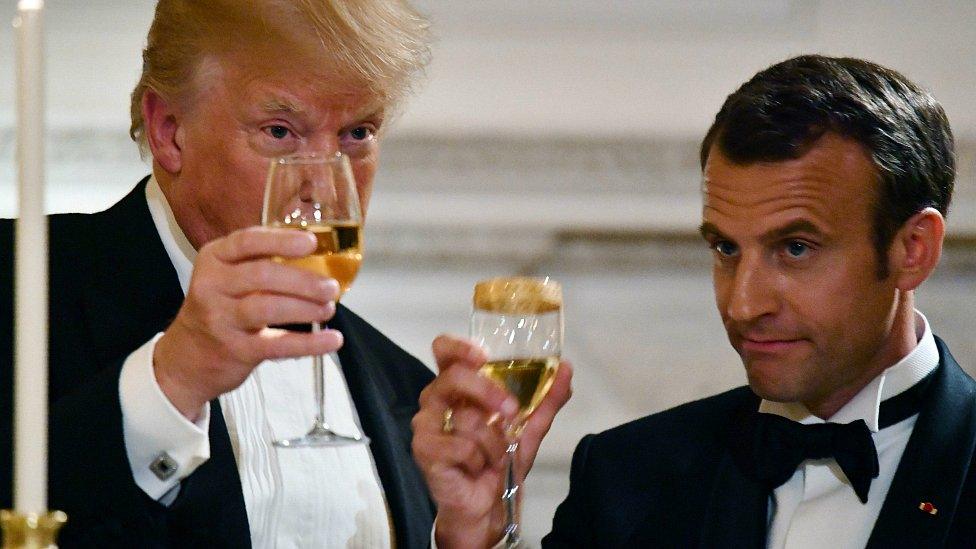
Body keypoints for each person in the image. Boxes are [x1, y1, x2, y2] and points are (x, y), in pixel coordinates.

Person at [413, 55, 975, 547]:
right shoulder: (626, 476)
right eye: (726, 247)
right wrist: (470, 538)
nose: (743, 303)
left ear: (913, 250)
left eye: (796, 248)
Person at [0, 1, 435, 546]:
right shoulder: (22, 284)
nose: (325, 191)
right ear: (169, 132)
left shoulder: (408, 387)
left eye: (357, 134)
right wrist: (171, 383)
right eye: (280, 132)